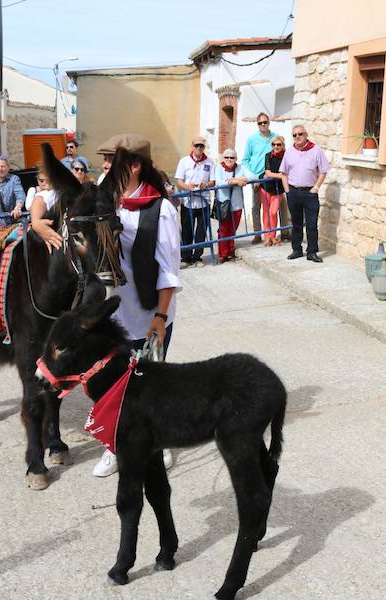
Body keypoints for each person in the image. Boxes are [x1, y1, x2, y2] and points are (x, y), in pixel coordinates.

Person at [33, 133, 181, 478]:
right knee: (110, 385)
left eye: (110, 161)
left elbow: (170, 272)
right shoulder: (104, 195)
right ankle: (114, 445)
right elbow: (53, 194)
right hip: (109, 313)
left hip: (148, 313)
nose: (104, 167)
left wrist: (160, 317)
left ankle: (158, 444)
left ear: (133, 165)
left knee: (146, 383)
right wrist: (38, 222)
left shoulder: (162, 211)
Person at [279, 124, 329, 263]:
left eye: (300, 134)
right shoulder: (289, 152)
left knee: (312, 224)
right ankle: (296, 250)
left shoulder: (316, 150)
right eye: (294, 135)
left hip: (309, 193)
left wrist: (316, 188)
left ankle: (312, 252)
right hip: (293, 191)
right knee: (296, 223)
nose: (297, 137)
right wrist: (287, 191)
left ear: (306, 135)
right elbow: (283, 173)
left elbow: (323, 171)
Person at [174, 135, 215, 268]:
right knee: (187, 230)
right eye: (196, 145)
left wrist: (206, 184)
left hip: (204, 202)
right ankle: (185, 257)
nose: (199, 148)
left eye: (201, 146)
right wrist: (187, 187)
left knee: (201, 231)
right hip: (188, 202)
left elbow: (213, 181)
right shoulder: (184, 161)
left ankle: (198, 257)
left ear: (204, 147)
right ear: (192, 147)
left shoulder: (210, 162)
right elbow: (178, 180)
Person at [242, 113, 281, 244]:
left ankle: (282, 232)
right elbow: (245, 160)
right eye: (260, 123)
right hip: (257, 179)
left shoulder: (275, 138)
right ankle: (258, 234)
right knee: (256, 206)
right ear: (257, 124)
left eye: (265, 122)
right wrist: (254, 178)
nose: (263, 125)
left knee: (276, 208)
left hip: (272, 178)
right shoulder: (251, 140)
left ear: (269, 122)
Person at [213, 149, 249, 263]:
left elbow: (252, 177)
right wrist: (236, 182)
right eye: (226, 157)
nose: (229, 159)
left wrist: (235, 179)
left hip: (237, 204)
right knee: (223, 229)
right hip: (224, 203)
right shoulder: (219, 168)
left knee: (233, 228)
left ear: (236, 159)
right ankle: (223, 254)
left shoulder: (240, 168)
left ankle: (230, 250)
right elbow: (220, 182)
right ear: (223, 158)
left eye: (232, 157)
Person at [260, 135, 287, 246]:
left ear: (282, 145)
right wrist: (280, 176)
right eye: (274, 144)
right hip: (266, 188)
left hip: (278, 189)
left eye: (278, 144)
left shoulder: (286, 156)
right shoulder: (268, 156)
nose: (276, 146)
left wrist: (280, 176)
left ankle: (273, 236)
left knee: (273, 212)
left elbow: (287, 172)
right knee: (266, 212)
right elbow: (268, 172)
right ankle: (267, 237)